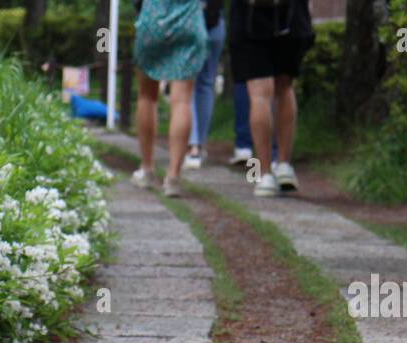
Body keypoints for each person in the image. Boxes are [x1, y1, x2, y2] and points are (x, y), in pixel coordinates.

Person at [227, 0, 315, 196]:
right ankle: (283, 165)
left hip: (249, 18)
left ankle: (264, 174)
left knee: (259, 95)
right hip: (292, 17)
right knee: (285, 89)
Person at [131, 0, 210, 197]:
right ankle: (173, 176)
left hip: (152, 19)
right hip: (189, 21)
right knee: (182, 100)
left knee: (147, 96)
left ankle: (147, 168)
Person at [185, 1, 225, 170]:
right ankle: (200, 145)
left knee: (187, 85)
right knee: (206, 84)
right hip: (215, 22)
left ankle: (192, 146)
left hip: (188, 22)